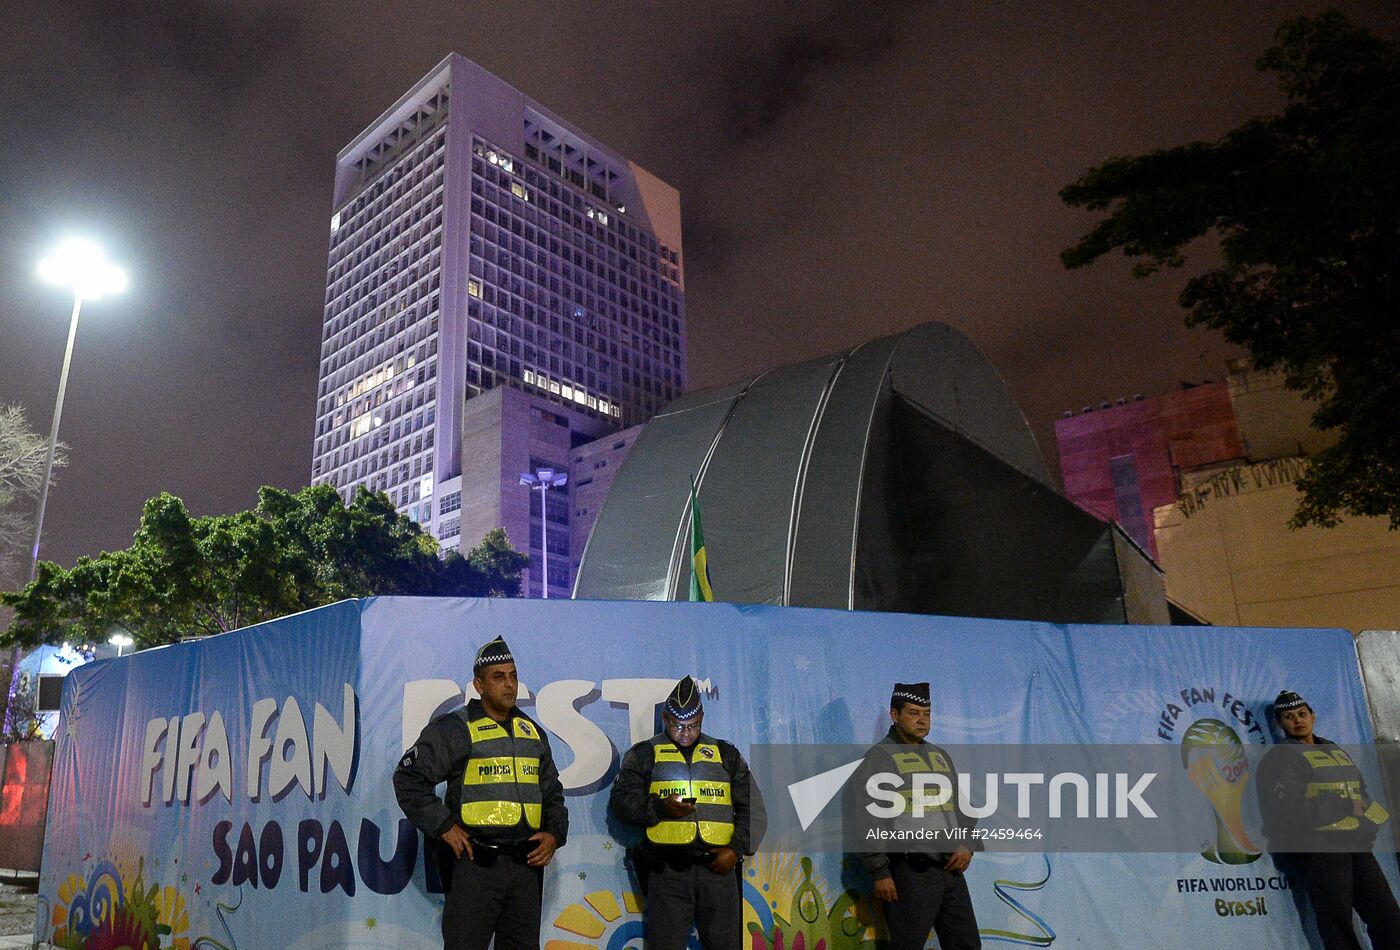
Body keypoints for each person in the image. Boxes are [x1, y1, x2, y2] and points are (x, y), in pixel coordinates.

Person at [394, 636, 568, 950]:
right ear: (479, 685)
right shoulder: (454, 728)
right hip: (476, 866)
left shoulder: (532, 732)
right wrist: (444, 826)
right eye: (499, 677)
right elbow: (408, 778)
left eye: (513, 676)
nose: (510, 685)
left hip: (526, 868)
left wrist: (554, 834)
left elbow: (552, 793)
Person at [609, 675, 766, 950]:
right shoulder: (645, 753)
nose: (685, 732)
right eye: (678, 725)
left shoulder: (725, 754)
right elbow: (621, 803)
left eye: (693, 726)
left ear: (702, 718)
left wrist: (736, 849)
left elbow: (754, 809)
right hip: (667, 872)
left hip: (719, 870)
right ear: (666, 718)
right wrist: (659, 807)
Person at [1256, 689, 1400, 950]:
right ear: (1279, 724)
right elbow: (1291, 807)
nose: (1298, 720)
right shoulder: (1281, 757)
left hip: (1356, 846)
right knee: (1337, 924)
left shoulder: (1334, 749)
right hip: (1319, 849)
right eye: (1289, 717)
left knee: (1388, 916)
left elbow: (1361, 794)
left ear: (1313, 716)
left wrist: (1367, 826)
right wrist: (1345, 806)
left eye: (1302, 714)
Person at [858, 682, 981, 950]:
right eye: (913, 713)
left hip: (951, 870)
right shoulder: (879, 758)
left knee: (967, 945)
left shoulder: (939, 756)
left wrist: (968, 845)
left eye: (926, 713)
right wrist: (879, 872)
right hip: (911, 873)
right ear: (895, 715)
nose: (921, 720)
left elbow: (966, 808)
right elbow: (866, 819)